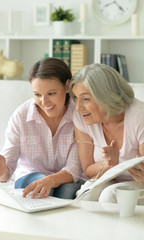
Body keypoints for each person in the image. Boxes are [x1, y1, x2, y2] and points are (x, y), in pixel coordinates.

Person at [0, 57, 83, 199]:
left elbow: (74, 168)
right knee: (40, 184)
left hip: (64, 179)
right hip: (30, 176)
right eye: (37, 95)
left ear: (67, 86)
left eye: (51, 93)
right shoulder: (21, 116)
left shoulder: (78, 115)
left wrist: (50, 180)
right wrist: (2, 171)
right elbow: (8, 169)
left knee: (68, 191)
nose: (44, 102)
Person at [69, 63, 144, 204]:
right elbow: (88, 169)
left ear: (106, 96)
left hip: (140, 183)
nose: (78, 107)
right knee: (86, 195)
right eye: (75, 98)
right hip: (110, 179)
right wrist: (109, 164)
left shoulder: (140, 116)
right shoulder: (82, 118)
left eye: (85, 99)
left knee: (110, 196)